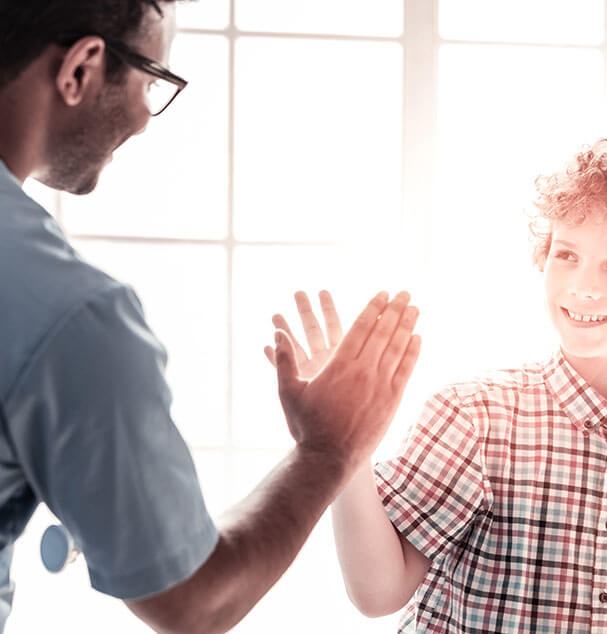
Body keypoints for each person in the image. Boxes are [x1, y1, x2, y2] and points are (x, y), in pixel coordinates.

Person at [0, 1, 421, 632]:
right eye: (150, 81)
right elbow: (193, 601)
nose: (146, 119)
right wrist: (329, 450)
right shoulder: (75, 317)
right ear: (81, 69)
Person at [274, 132, 607, 633]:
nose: (583, 285)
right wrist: (345, 445)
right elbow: (377, 592)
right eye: (567, 255)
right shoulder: (475, 416)